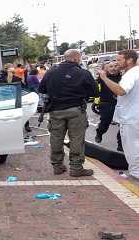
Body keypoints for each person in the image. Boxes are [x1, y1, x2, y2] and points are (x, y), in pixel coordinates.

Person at [39, 49, 98, 177]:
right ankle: (76, 168)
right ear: (76, 59)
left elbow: (41, 88)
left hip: (55, 110)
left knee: (56, 138)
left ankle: (57, 166)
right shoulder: (83, 73)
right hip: (76, 110)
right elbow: (94, 92)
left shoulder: (51, 72)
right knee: (77, 139)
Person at [97, 50, 139, 180]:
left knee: (132, 147)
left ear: (130, 60)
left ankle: (135, 174)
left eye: (119, 60)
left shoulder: (131, 75)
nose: (117, 63)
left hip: (131, 117)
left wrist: (104, 78)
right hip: (134, 114)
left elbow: (121, 91)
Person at [94, 61, 123, 151]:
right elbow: (96, 90)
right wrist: (96, 103)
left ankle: (120, 144)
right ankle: (99, 133)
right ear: (107, 68)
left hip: (121, 104)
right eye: (111, 66)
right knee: (105, 123)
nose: (113, 68)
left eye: (116, 66)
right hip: (107, 103)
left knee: (123, 125)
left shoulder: (124, 78)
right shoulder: (102, 78)